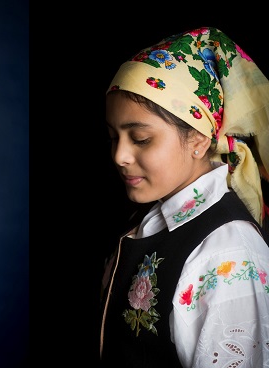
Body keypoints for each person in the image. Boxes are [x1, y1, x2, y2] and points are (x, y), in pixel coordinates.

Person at [99, 27, 269, 367]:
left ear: (199, 139)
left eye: (141, 138)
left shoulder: (228, 254)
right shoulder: (149, 219)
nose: (120, 156)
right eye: (113, 136)